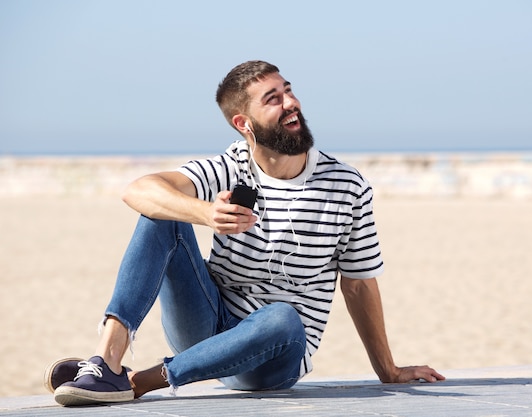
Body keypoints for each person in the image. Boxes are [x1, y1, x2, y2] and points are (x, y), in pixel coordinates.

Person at [45, 60, 445, 406]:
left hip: (275, 354)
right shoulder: (232, 166)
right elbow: (138, 190)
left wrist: (388, 371)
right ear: (244, 124)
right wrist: (206, 213)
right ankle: (107, 361)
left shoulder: (345, 186)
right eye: (273, 99)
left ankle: (138, 382)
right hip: (205, 327)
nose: (291, 104)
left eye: (288, 91)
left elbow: (358, 285)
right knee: (160, 213)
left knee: (282, 318)